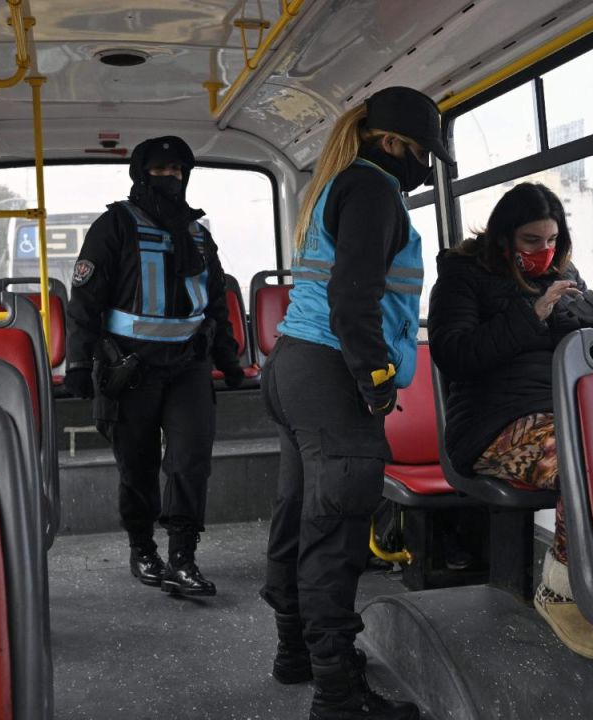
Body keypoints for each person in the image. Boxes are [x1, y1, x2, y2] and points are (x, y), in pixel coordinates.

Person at [260, 86, 451, 720]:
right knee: (336, 532)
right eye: (424, 153)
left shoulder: (342, 183)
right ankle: (337, 695)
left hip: (297, 366)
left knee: (300, 514)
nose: (425, 168)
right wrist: (376, 381)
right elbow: (354, 301)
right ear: (396, 143)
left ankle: (296, 652)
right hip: (334, 373)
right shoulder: (373, 189)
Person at [427, 182, 593, 661]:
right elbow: (455, 357)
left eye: (552, 240)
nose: (545, 251)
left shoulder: (566, 273)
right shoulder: (462, 276)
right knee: (580, 469)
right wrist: (532, 313)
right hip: (491, 421)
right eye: (532, 241)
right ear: (505, 239)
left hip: (561, 410)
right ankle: (561, 591)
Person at [64, 136, 244, 597]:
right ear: (142, 176)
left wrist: (228, 356)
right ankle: (143, 549)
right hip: (130, 368)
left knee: (189, 463)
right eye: (161, 171)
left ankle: (184, 557)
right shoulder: (114, 225)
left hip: (188, 364)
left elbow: (216, 305)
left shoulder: (199, 233)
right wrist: (79, 362)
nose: (171, 179)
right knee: (138, 467)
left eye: (179, 171)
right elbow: (85, 300)